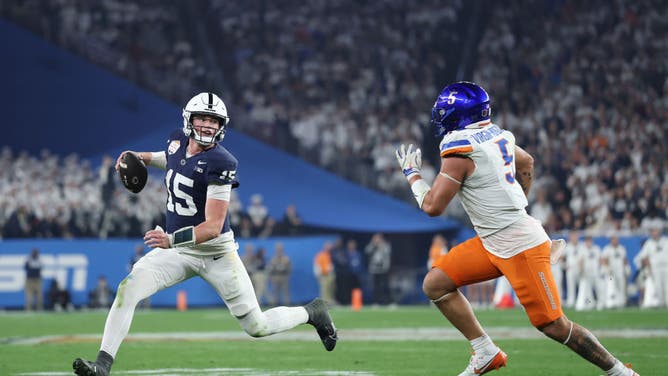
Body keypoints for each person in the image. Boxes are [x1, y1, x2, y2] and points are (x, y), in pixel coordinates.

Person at [73, 92, 337, 376]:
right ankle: (103, 364)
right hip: (178, 251)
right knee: (129, 289)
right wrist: (142, 157)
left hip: (215, 254)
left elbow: (212, 227)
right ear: (189, 120)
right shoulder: (177, 142)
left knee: (257, 326)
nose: (209, 125)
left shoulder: (222, 162)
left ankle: (313, 312)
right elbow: (172, 158)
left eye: (214, 121)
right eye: (203, 118)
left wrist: (171, 240)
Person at [395, 81, 638, 376]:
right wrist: (520, 202)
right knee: (436, 283)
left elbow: (432, 207)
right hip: (491, 241)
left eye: (444, 111)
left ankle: (620, 373)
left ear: (458, 114)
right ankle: (485, 351)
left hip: (518, 245)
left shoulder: (459, 148)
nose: (439, 116)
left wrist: (413, 176)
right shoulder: (498, 134)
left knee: (553, 325)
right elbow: (526, 162)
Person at [364, 233, 392, 305]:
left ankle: (389, 302)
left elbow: (388, 252)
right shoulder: (371, 245)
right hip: (374, 269)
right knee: (376, 287)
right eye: (375, 238)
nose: (377, 240)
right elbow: (367, 251)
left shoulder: (385, 245)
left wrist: (381, 245)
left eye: (378, 238)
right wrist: (373, 244)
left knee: (385, 286)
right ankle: (376, 302)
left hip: (383, 269)